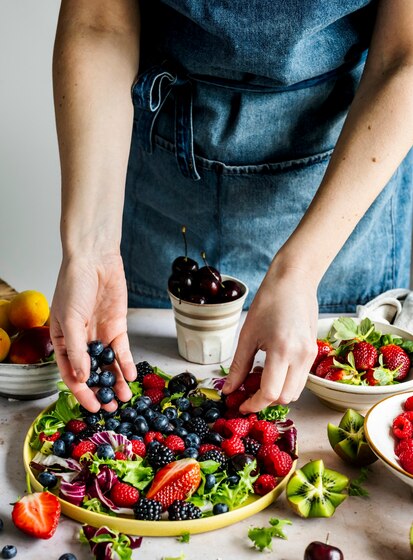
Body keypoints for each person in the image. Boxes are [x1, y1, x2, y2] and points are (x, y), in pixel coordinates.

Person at [50, 0, 413, 415]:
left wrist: (301, 270)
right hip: (167, 180)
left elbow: (404, 58)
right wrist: (90, 249)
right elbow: (99, 24)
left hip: (341, 185)